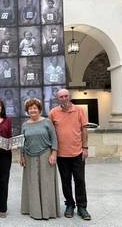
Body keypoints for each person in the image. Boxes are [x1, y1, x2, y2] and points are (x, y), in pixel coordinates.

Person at [49, 89, 91, 221]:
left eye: (66, 96)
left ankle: (82, 207)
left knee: (79, 181)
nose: (64, 98)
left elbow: (84, 130)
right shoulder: (53, 113)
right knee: (65, 181)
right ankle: (69, 205)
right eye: (61, 96)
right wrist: (53, 152)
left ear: (70, 97)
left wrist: (85, 147)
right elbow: (50, 133)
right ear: (58, 99)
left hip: (77, 153)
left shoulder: (79, 110)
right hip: (61, 155)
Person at [20, 99, 60, 220]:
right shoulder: (25, 124)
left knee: (46, 182)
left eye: (35, 108)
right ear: (27, 111)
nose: (32, 110)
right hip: (29, 156)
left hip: (46, 155)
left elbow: (54, 138)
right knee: (32, 183)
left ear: (39, 109)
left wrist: (54, 153)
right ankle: (34, 210)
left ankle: (49, 211)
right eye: (30, 108)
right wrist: (21, 156)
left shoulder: (47, 122)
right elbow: (22, 141)